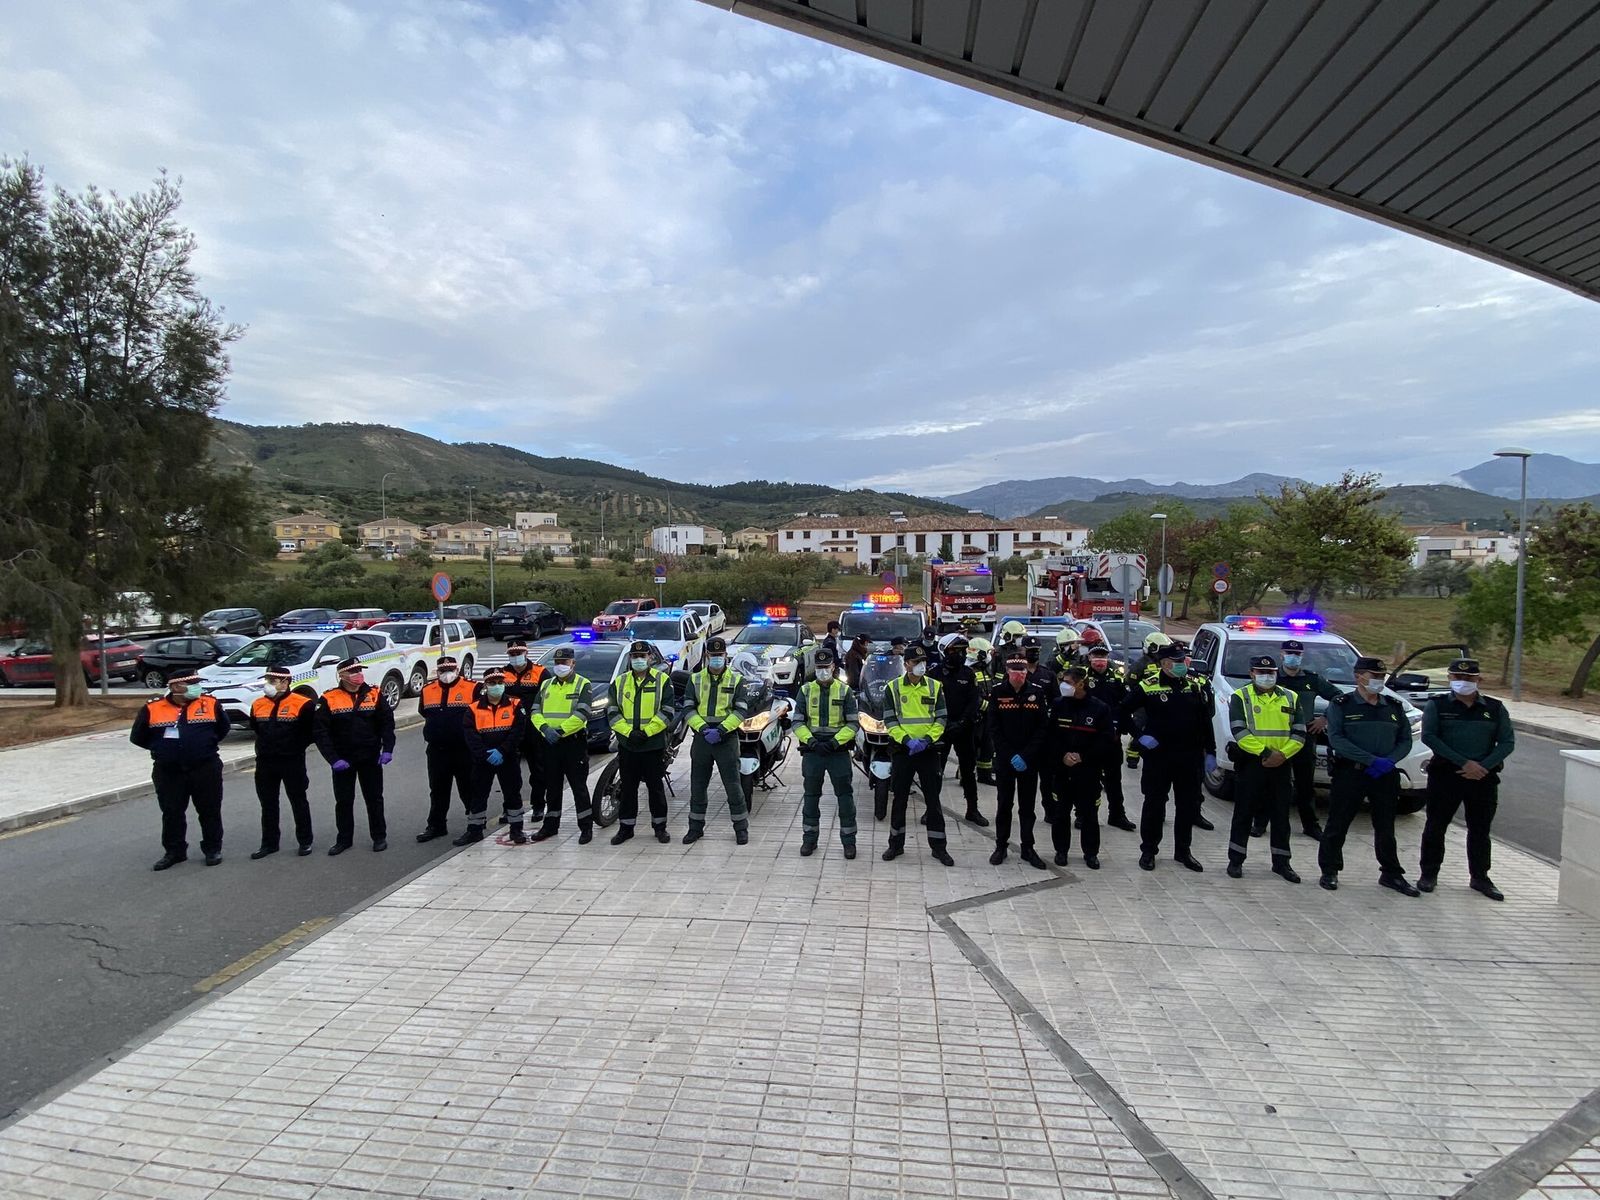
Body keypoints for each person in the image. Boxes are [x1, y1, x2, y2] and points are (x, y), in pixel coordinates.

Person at [1319, 656, 1418, 895]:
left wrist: (1390, 761)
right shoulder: (1342, 704)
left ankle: (1391, 873)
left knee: (1385, 826)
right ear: (1358, 677)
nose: (1377, 680)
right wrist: (1370, 760)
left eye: (1381, 677)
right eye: (1373, 676)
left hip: (1384, 774)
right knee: (1338, 823)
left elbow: (1405, 739)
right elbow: (1337, 739)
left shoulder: (1392, 707)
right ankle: (1330, 870)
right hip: (1351, 773)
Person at [1418, 658, 1515, 900]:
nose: (1464, 682)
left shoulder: (1494, 708)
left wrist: (1482, 766)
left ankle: (1480, 877)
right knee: (1435, 826)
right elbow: (1430, 737)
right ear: (1450, 679)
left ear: (1479, 680)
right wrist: (1464, 763)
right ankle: (1428, 874)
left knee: (1480, 830)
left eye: (1469, 678)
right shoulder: (1437, 705)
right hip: (1447, 775)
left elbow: (1506, 742)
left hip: (1483, 777)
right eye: (1458, 678)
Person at [1120, 643, 1213, 872]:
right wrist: (1139, 737)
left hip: (1189, 756)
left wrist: (1211, 751)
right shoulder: (1148, 685)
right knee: (1154, 804)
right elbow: (1122, 711)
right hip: (1159, 756)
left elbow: (1205, 720)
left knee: (1187, 805)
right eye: (1176, 662)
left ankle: (1183, 851)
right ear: (1163, 663)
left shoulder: (1194, 685)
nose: (1181, 665)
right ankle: (1149, 850)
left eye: (1183, 661)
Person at [130, 671, 230, 870]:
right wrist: (163, 750)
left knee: (209, 809)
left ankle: (212, 849)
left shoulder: (209, 703)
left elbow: (222, 729)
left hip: (204, 767)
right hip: (169, 771)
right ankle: (175, 851)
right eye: (191, 683)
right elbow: (138, 737)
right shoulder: (153, 707)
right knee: (172, 811)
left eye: (197, 683)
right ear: (175, 687)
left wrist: (202, 747)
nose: (196, 687)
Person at [1224, 655, 1306, 883]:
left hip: (1281, 764)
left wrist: (1283, 755)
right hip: (1252, 763)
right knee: (1244, 813)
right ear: (1251, 674)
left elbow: (1299, 733)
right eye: (1261, 672)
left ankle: (1282, 863)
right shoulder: (1241, 697)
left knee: (1281, 815)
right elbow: (1239, 731)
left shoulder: (1291, 697)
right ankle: (1236, 860)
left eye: (1270, 672)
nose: (1266, 676)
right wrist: (1265, 753)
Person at [314, 658, 395, 855]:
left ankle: (379, 837)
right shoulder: (329, 698)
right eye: (353, 671)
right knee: (343, 801)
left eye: (360, 670)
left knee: (374, 798)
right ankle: (344, 840)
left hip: (370, 757)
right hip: (343, 759)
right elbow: (321, 733)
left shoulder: (374, 694)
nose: (358, 674)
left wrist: (388, 749)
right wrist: (333, 759)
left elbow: (386, 723)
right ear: (341, 675)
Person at [882, 644, 952, 865]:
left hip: (928, 751)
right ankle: (895, 845)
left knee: (933, 800)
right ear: (906, 665)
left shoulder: (935, 686)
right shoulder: (892, 688)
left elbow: (941, 718)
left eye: (923, 662)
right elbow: (890, 720)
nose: (921, 666)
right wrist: (906, 740)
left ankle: (939, 847)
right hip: (904, 750)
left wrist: (927, 740)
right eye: (916, 663)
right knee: (899, 799)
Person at [1264, 638, 1340, 840]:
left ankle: (1310, 825)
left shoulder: (1312, 679)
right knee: (1273, 784)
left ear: (1302, 656)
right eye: (1289, 653)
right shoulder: (1272, 678)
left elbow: (1340, 699)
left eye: (1297, 654)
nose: (1293, 657)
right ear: (1281, 654)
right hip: (1278, 737)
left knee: (1305, 784)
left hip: (1303, 738)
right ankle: (1261, 822)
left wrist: (1324, 719)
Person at [683, 636, 752, 846]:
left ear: (726, 656)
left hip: (726, 739)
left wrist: (722, 729)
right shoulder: (695, 679)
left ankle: (741, 829)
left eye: (719, 655)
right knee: (698, 786)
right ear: (706, 656)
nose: (716, 659)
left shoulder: (737, 680)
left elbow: (741, 711)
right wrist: (703, 728)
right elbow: (687, 708)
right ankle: (695, 828)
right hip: (702, 739)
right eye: (713, 656)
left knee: (733, 786)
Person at [1049, 665, 1119, 869]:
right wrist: (1062, 756)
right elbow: (1051, 736)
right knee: (1061, 813)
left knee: (1089, 815)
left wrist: (1083, 757)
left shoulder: (1099, 709)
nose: (1064, 686)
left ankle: (1090, 853)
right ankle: (1061, 851)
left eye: (1068, 683)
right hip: (1063, 770)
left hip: (1088, 771)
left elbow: (1106, 740)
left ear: (1081, 684)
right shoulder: (1058, 705)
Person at [985, 651, 1049, 868]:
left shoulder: (1037, 693)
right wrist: (1009, 754)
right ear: (1007, 671)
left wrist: (1026, 755)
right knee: (1004, 804)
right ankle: (1001, 845)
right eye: (1014, 670)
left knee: (1027, 807)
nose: (1018, 674)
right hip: (1005, 759)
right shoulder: (997, 693)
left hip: (1029, 760)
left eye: (1022, 670)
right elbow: (993, 728)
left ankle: (1027, 847)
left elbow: (1042, 728)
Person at [608, 640, 676, 845]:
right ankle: (626, 828)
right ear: (630, 659)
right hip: (628, 745)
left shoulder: (662, 680)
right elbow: (612, 712)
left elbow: (667, 711)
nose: (639, 660)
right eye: (635, 657)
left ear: (650, 658)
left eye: (643, 656)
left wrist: (647, 732)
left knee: (655, 788)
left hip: (652, 745)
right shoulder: (620, 682)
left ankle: (660, 827)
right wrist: (628, 733)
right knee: (628, 788)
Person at [793, 648, 859, 858]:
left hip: (837, 752)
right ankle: (809, 840)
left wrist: (833, 743)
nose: (823, 671)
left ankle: (849, 842)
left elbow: (853, 724)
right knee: (811, 797)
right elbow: (797, 722)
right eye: (820, 668)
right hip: (813, 752)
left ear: (833, 667)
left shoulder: (845, 691)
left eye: (826, 667)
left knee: (845, 797)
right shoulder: (805, 691)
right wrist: (811, 742)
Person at [527, 645, 596, 844]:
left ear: (573, 663)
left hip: (572, 743)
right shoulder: (547, 684)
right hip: (549, 743)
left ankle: (585, 827)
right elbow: (535, 711)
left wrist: (561, 731)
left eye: (564, 662)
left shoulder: (583, 684)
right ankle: (550, 826)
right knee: (552, 787)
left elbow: (582, 713)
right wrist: (545, 730)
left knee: (578, 787)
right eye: (557, 662)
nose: (560, 666)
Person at [248, 666, 316, 858]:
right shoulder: (258, 704)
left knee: (298, 800)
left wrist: (294, 747)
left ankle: (305, 841)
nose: (267, 685)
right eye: (267, 680)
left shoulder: (303, 704)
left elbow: (310, 732)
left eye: (272, 681)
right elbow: (256, 728)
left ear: (285, 682)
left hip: (292, 760)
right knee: (268, 803)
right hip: (265, 761)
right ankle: (269, 843)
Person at [414, 655, 476, 843]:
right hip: (437, 750)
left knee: (468, 788)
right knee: (438, 789)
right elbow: (424, 712)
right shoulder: (427, 690)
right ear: (437, 672)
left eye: (450, 670)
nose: (446, 674)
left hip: (464, 749)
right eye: (442, 671)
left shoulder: (473, 687)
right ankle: (436, 825)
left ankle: (474, 825)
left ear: (457, 670)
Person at [929, 633, 986, 827]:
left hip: (964, 729)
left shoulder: (968, 674)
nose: (960, 655)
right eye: (955, 651)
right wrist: (942, 723)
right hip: (940, 729)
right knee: (936, 771)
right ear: (944, 651)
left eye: (963, 651)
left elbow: (974, 700)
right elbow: (929, 703)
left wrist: (962, 722)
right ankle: (931, 810)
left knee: (969, 772)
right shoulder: (934, 674)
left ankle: (972, 809)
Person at [1081, 645, 1137, 831]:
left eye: (1103, 656)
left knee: (1114, 780)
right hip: (1088, 739)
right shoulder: (1082, 678)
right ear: (1089, 658)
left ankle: (1117, 815)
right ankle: (1083, 815)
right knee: (1088, 780)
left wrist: (1125, 729)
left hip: (1112, 738)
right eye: (1096, 656)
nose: (1100, 660)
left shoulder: (1117, 678)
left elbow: (1126, 705)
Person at [500, 639, 547, 826]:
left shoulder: (540, 672)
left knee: (538, 770)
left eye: (518, 653)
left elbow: (547, 700)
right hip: (509, 730)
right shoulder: (502, 674)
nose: (515, 657)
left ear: (526, 653)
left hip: (533, 729)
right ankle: (510, 808)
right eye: (512, 654)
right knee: (510, 773)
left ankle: (538, 806)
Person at [969, 636, 997, 785]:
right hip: (976, 716)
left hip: (986, 716)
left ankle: (984, 775)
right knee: (972, 747)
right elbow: (973, 697)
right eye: (988, 653)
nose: (990, 656)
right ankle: (965, 775)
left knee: (988, 746)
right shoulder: (970, 671)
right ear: (980, 654)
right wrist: (989, 707)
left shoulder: (984, 670)